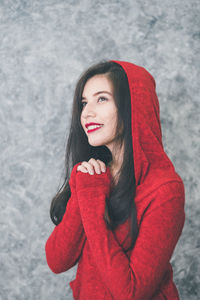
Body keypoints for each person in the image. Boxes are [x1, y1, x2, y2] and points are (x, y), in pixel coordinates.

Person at [45, 60, 185, 299]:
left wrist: (91, 199)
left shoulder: (165, 189)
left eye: (101, 99)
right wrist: (86, 189)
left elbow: (129, 293)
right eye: (84, 102)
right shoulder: (92, 176)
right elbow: (57, 261)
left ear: (133, 106)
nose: (87, 112)